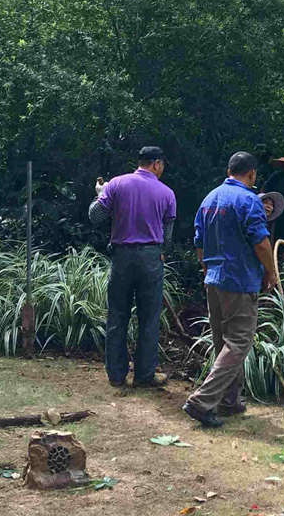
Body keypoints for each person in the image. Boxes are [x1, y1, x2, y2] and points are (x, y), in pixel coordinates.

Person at [183, 151, 280, 428]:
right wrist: (271, 272)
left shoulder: (209, 199)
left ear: (229, 170)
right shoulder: (249, 200)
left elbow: (199, 241)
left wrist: (206, 268)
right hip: (239, 281)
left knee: (223, 343)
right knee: (238, 343)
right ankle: (202, 401)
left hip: (214, 279)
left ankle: (230, 401)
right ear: (251, 174)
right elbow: (261, 243)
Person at [89, 146, 177, 388]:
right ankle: (144, 375)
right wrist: (162, 253)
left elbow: (95, 217)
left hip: (122, 257)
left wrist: (100, 193)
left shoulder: (116, 185)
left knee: (117, 314)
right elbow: (167, 236)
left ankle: (116, 375)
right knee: (149, 318)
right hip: (151, 259)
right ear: (157, 164)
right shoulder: (167, 193)